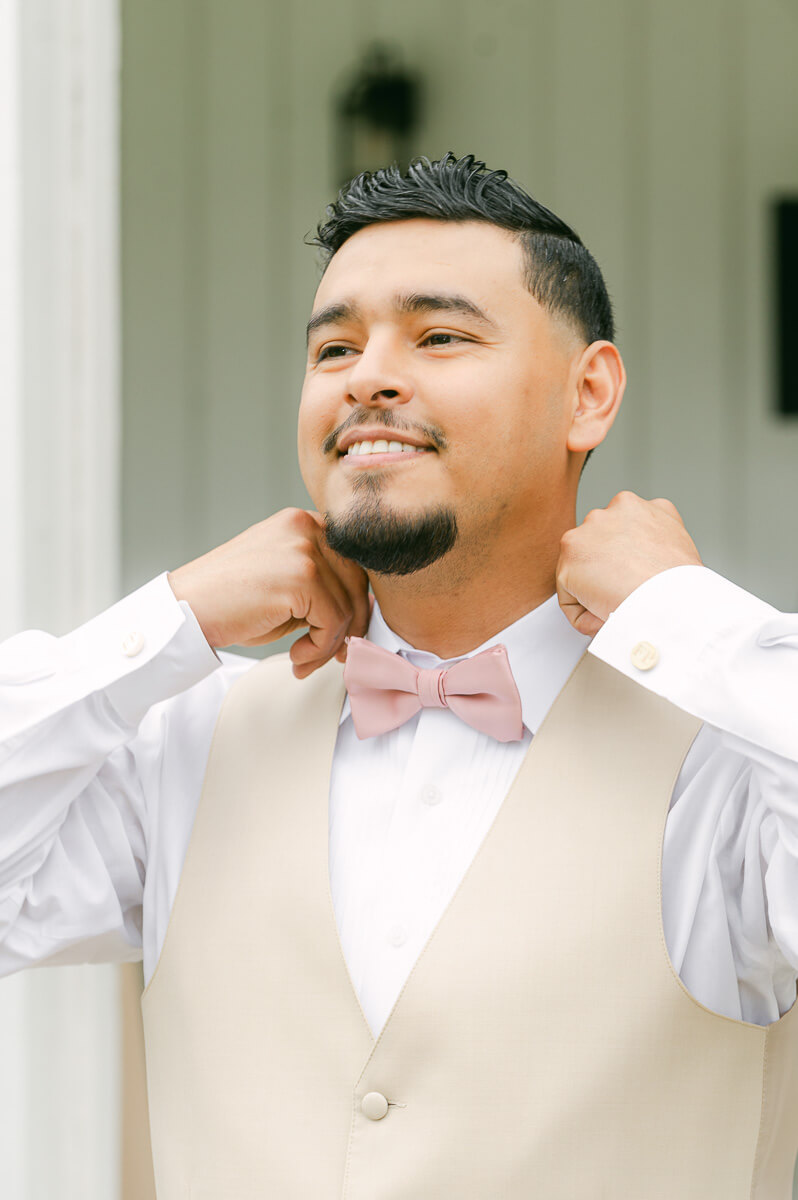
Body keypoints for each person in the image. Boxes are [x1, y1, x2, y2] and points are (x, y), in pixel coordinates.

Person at [1, 152, 797, 1198]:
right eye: (334, 346)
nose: (367, 375)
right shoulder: (187, 744)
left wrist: (686, 618)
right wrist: (174, 618)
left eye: (439, 336)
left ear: (588, 393)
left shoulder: (726, 762)